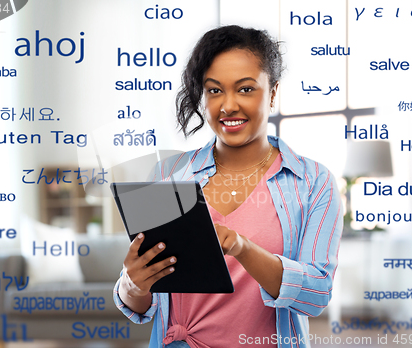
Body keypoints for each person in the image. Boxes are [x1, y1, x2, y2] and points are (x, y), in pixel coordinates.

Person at [114, 25, 343, 348]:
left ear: (273, 92)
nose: (228, 106)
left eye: (246, 89)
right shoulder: (167, 173)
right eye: (214, 90)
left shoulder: (313, 182)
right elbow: (142, 306)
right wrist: (134, 285)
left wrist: (243, 248)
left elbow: (316, 296)